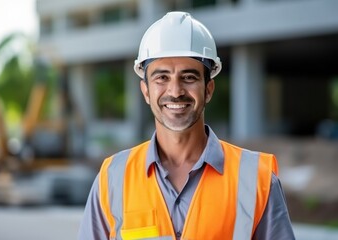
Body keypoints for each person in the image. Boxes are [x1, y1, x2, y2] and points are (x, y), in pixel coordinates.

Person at [78, 11, 295, 240]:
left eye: (189, 77)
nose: (175, 91)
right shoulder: (112, 178)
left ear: (208, 89)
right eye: (162, 78)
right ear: (146, 91)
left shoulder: (256, 179)